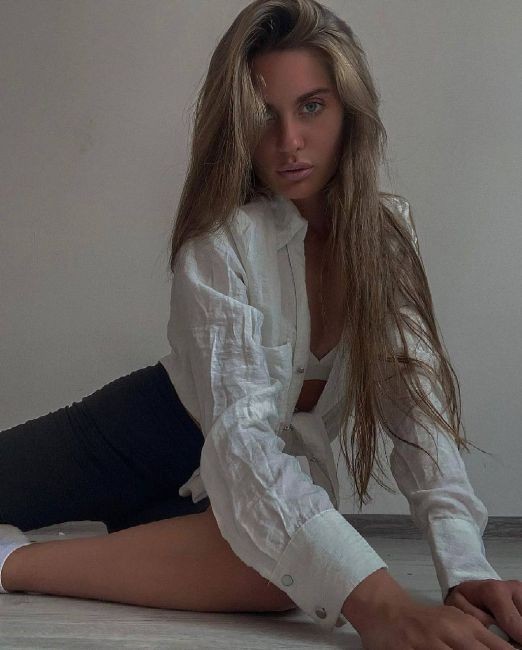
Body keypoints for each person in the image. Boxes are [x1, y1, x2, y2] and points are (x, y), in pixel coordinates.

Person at [1, 0, 520, 647]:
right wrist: (383, 607)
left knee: (284, 575)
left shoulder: (387, 237)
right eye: (262, 114)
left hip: (229, 475)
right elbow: (243, 445)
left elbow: (417, 411)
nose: (289, 140)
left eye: (311, 107)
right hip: (143, 433)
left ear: (349, 110)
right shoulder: (220, 242)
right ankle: (21, 556)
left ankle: (24, 557)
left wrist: (466, 569)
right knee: (303, 561)